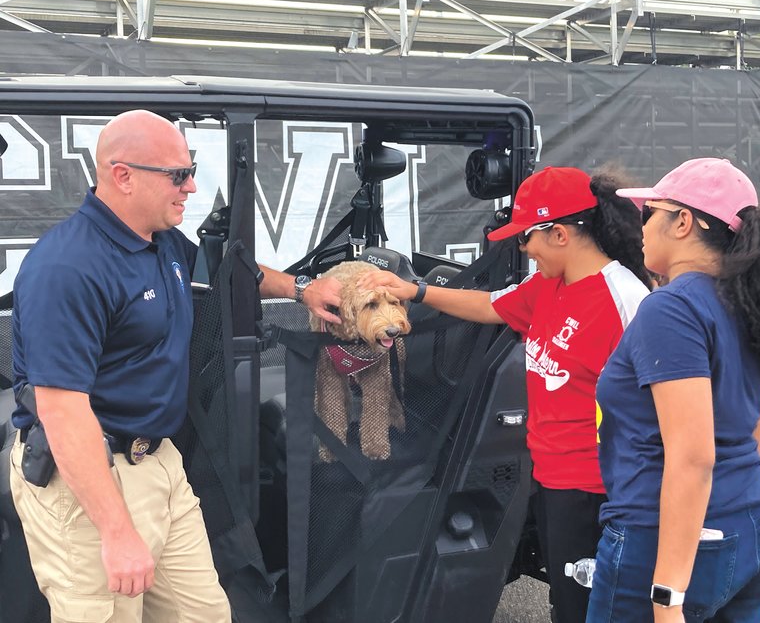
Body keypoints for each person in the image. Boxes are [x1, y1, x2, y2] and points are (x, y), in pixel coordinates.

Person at [8, 110, 341, 622]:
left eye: (193, 170)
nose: (190, 187)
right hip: (87, 479)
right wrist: (117, 532)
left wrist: (303, 290)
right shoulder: (67, 267)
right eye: (178, 175)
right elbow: (63, 411)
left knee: (203, 613)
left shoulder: (160, 239)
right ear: (123, 176)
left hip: (160, 463)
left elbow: (234, 275)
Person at [360, 166, 651, 623]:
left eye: (525, 238)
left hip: (596, 489)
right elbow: (491, 304)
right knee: (568, 603)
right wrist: (415, 290)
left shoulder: (627, 301)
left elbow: (659, 406)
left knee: (595, 608)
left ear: (559, 234)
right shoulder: (548, 286)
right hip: (550, 476)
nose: (523, 250)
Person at [589, 158, 760, 623]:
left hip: (666, 541)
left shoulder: (672, 309)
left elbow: (694, 456)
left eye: (649, 212)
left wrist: (667, 597)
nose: (640, 226)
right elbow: (759, 447)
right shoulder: (757, 305)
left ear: (683, 221)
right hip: (753, 527)